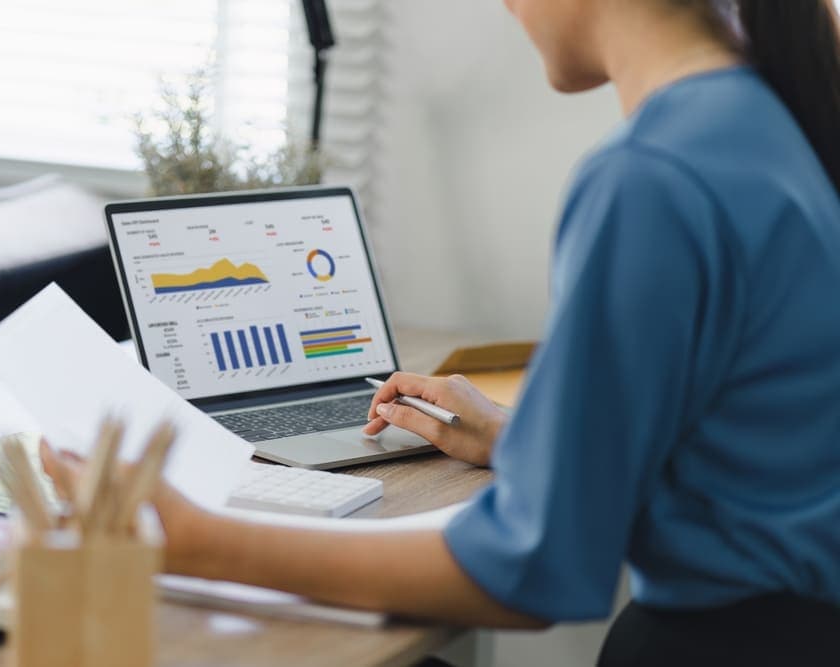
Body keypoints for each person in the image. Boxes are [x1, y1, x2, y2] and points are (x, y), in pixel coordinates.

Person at [42, 1, 840, 664]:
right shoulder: (767, 117)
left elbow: (534, 569)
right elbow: (755, 430)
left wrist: (200, 542)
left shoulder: (653, 174)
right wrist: (526, 437)